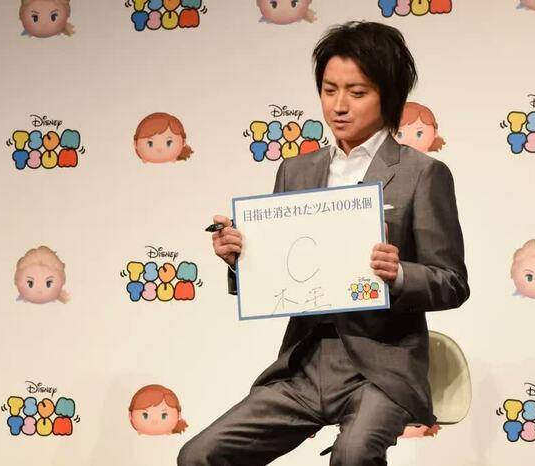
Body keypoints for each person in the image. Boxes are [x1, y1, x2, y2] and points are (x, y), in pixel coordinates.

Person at [178, 21, 469, 465]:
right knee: (199, 455)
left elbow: (451, 282)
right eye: (329, 90)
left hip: (383, 367)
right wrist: (240, 260)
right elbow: (278, 276)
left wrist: (399, 275)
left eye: (357, 92)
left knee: (352, 456)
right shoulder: (295, 172)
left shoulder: (421, 174)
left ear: (388, 95)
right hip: (304, 362)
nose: (339, 105)